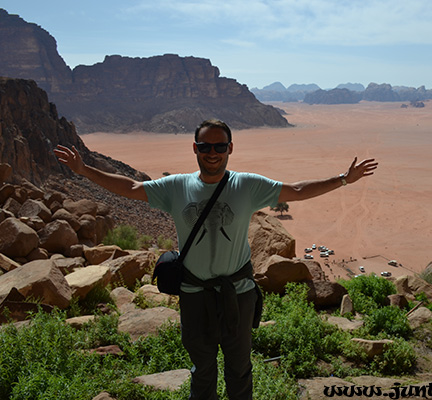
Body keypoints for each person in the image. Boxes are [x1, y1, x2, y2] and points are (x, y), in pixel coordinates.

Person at [53, 119, 378, 400]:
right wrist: (83, 170)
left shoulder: (246, 185)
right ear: (195, 149)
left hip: (237, 293)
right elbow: (131, 187)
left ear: (230, 148)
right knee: (202, 369)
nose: (212, 152)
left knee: (239, 368)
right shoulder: (176, 186)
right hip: (194, 295)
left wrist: (344, 179)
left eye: (218, 146)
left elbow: (295, 190)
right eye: (205, 146)